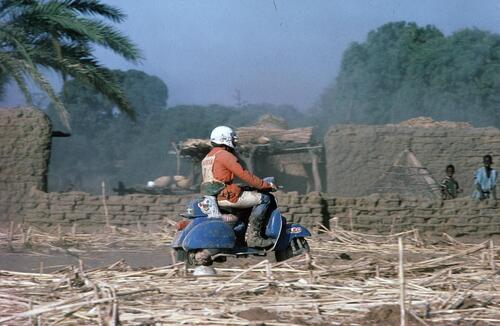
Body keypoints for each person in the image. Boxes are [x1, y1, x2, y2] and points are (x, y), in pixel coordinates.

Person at [200, 126, 276, 248]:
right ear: (225, 139)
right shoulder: (225, 155)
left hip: (213, 197)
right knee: (265, 199)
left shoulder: (208, 157)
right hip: (227, 196)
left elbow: (217, 178)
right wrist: (265, 185)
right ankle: (254, 237)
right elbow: (244, 174)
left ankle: (239, 239)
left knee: (245, 206)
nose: (234, 141)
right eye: (232, 138)